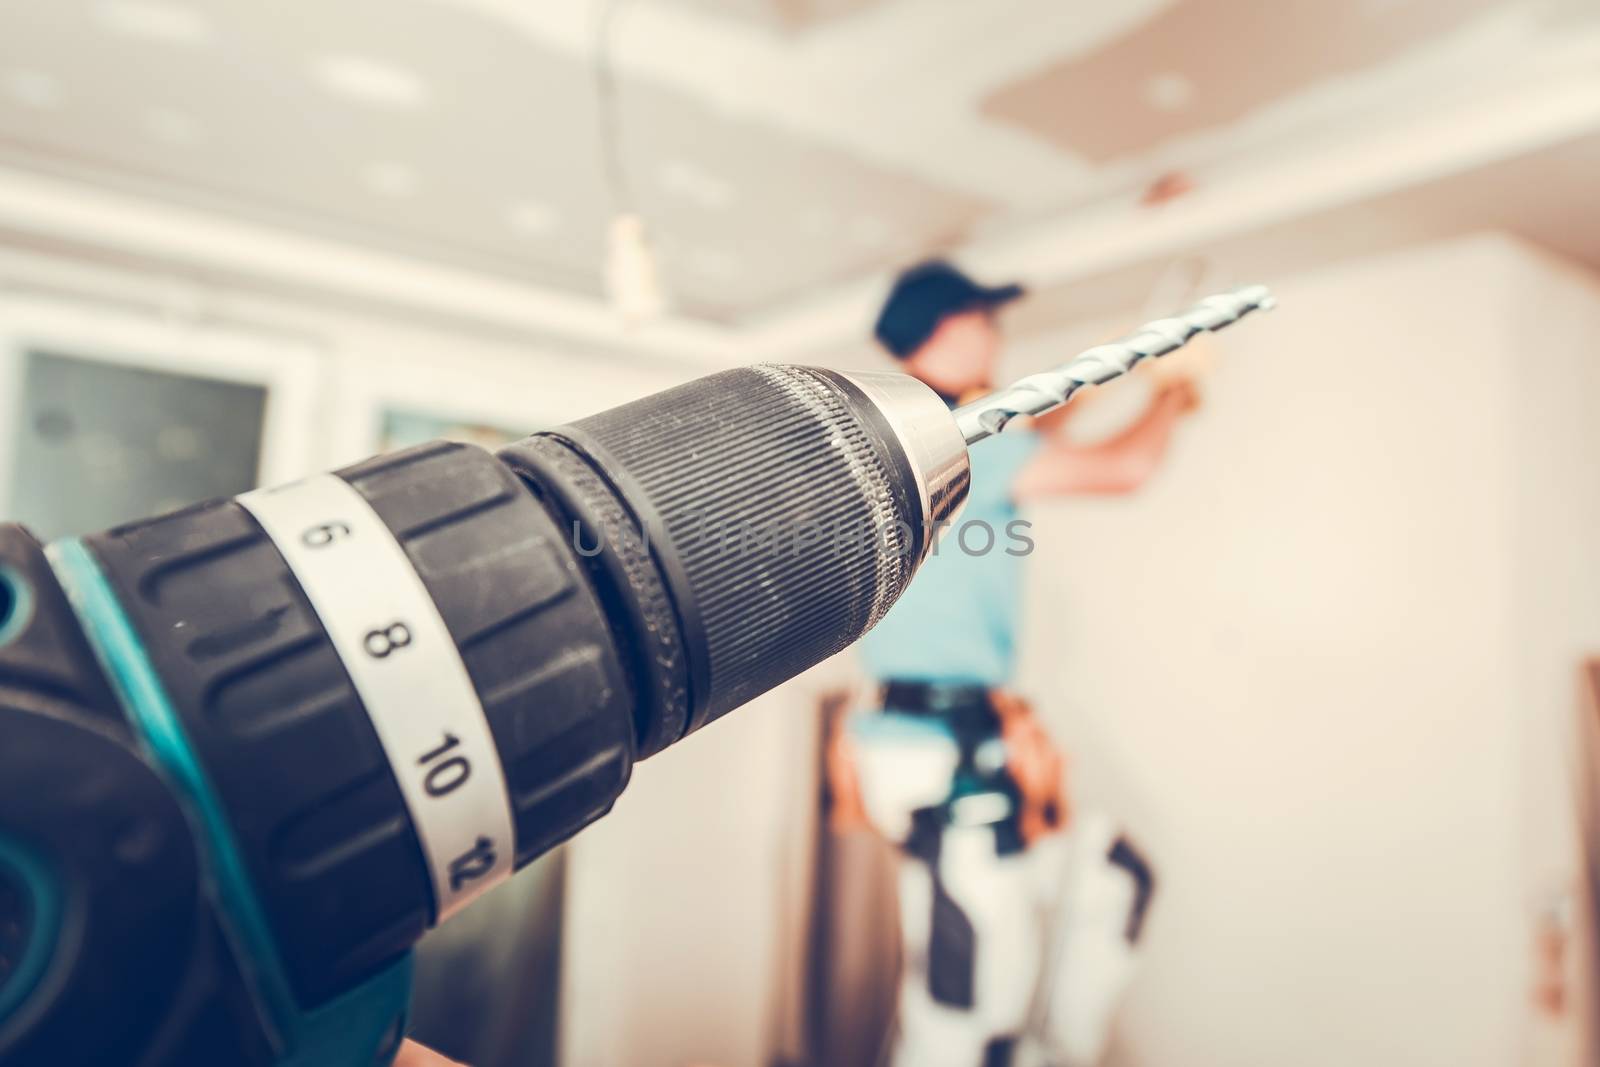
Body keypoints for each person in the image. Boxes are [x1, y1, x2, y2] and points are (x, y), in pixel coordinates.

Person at [827, 260, 1197, 1067]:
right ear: (948, 329)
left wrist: (1134, 357)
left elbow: (1045, 422)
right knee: (966, 1005)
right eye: (985, 319)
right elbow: (1125, 470)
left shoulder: (909, 437)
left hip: (923, 740)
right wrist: (1176, 394)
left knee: (1108, 878)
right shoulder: (957, 440)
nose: (996, 333)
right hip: (943, 750)